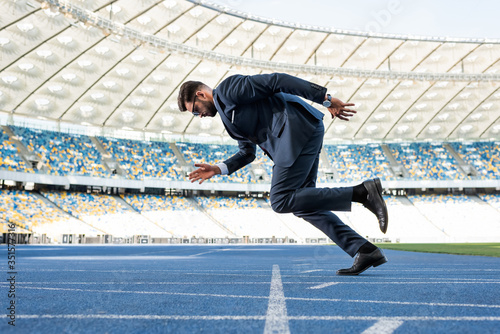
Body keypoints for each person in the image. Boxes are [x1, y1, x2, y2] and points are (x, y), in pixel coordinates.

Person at [177, 73, 388, 275]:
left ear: (201, 95)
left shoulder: (228, 89)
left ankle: (362, 193)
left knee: (280, 200)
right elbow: (247, 153)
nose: (200, 116)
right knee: (303, 205)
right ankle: (364, 250)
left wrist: (325, 99)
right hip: (298, 135)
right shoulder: (228, 117)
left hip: (295, 130)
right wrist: (218, 169)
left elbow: (277, 80)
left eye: (195, 111)